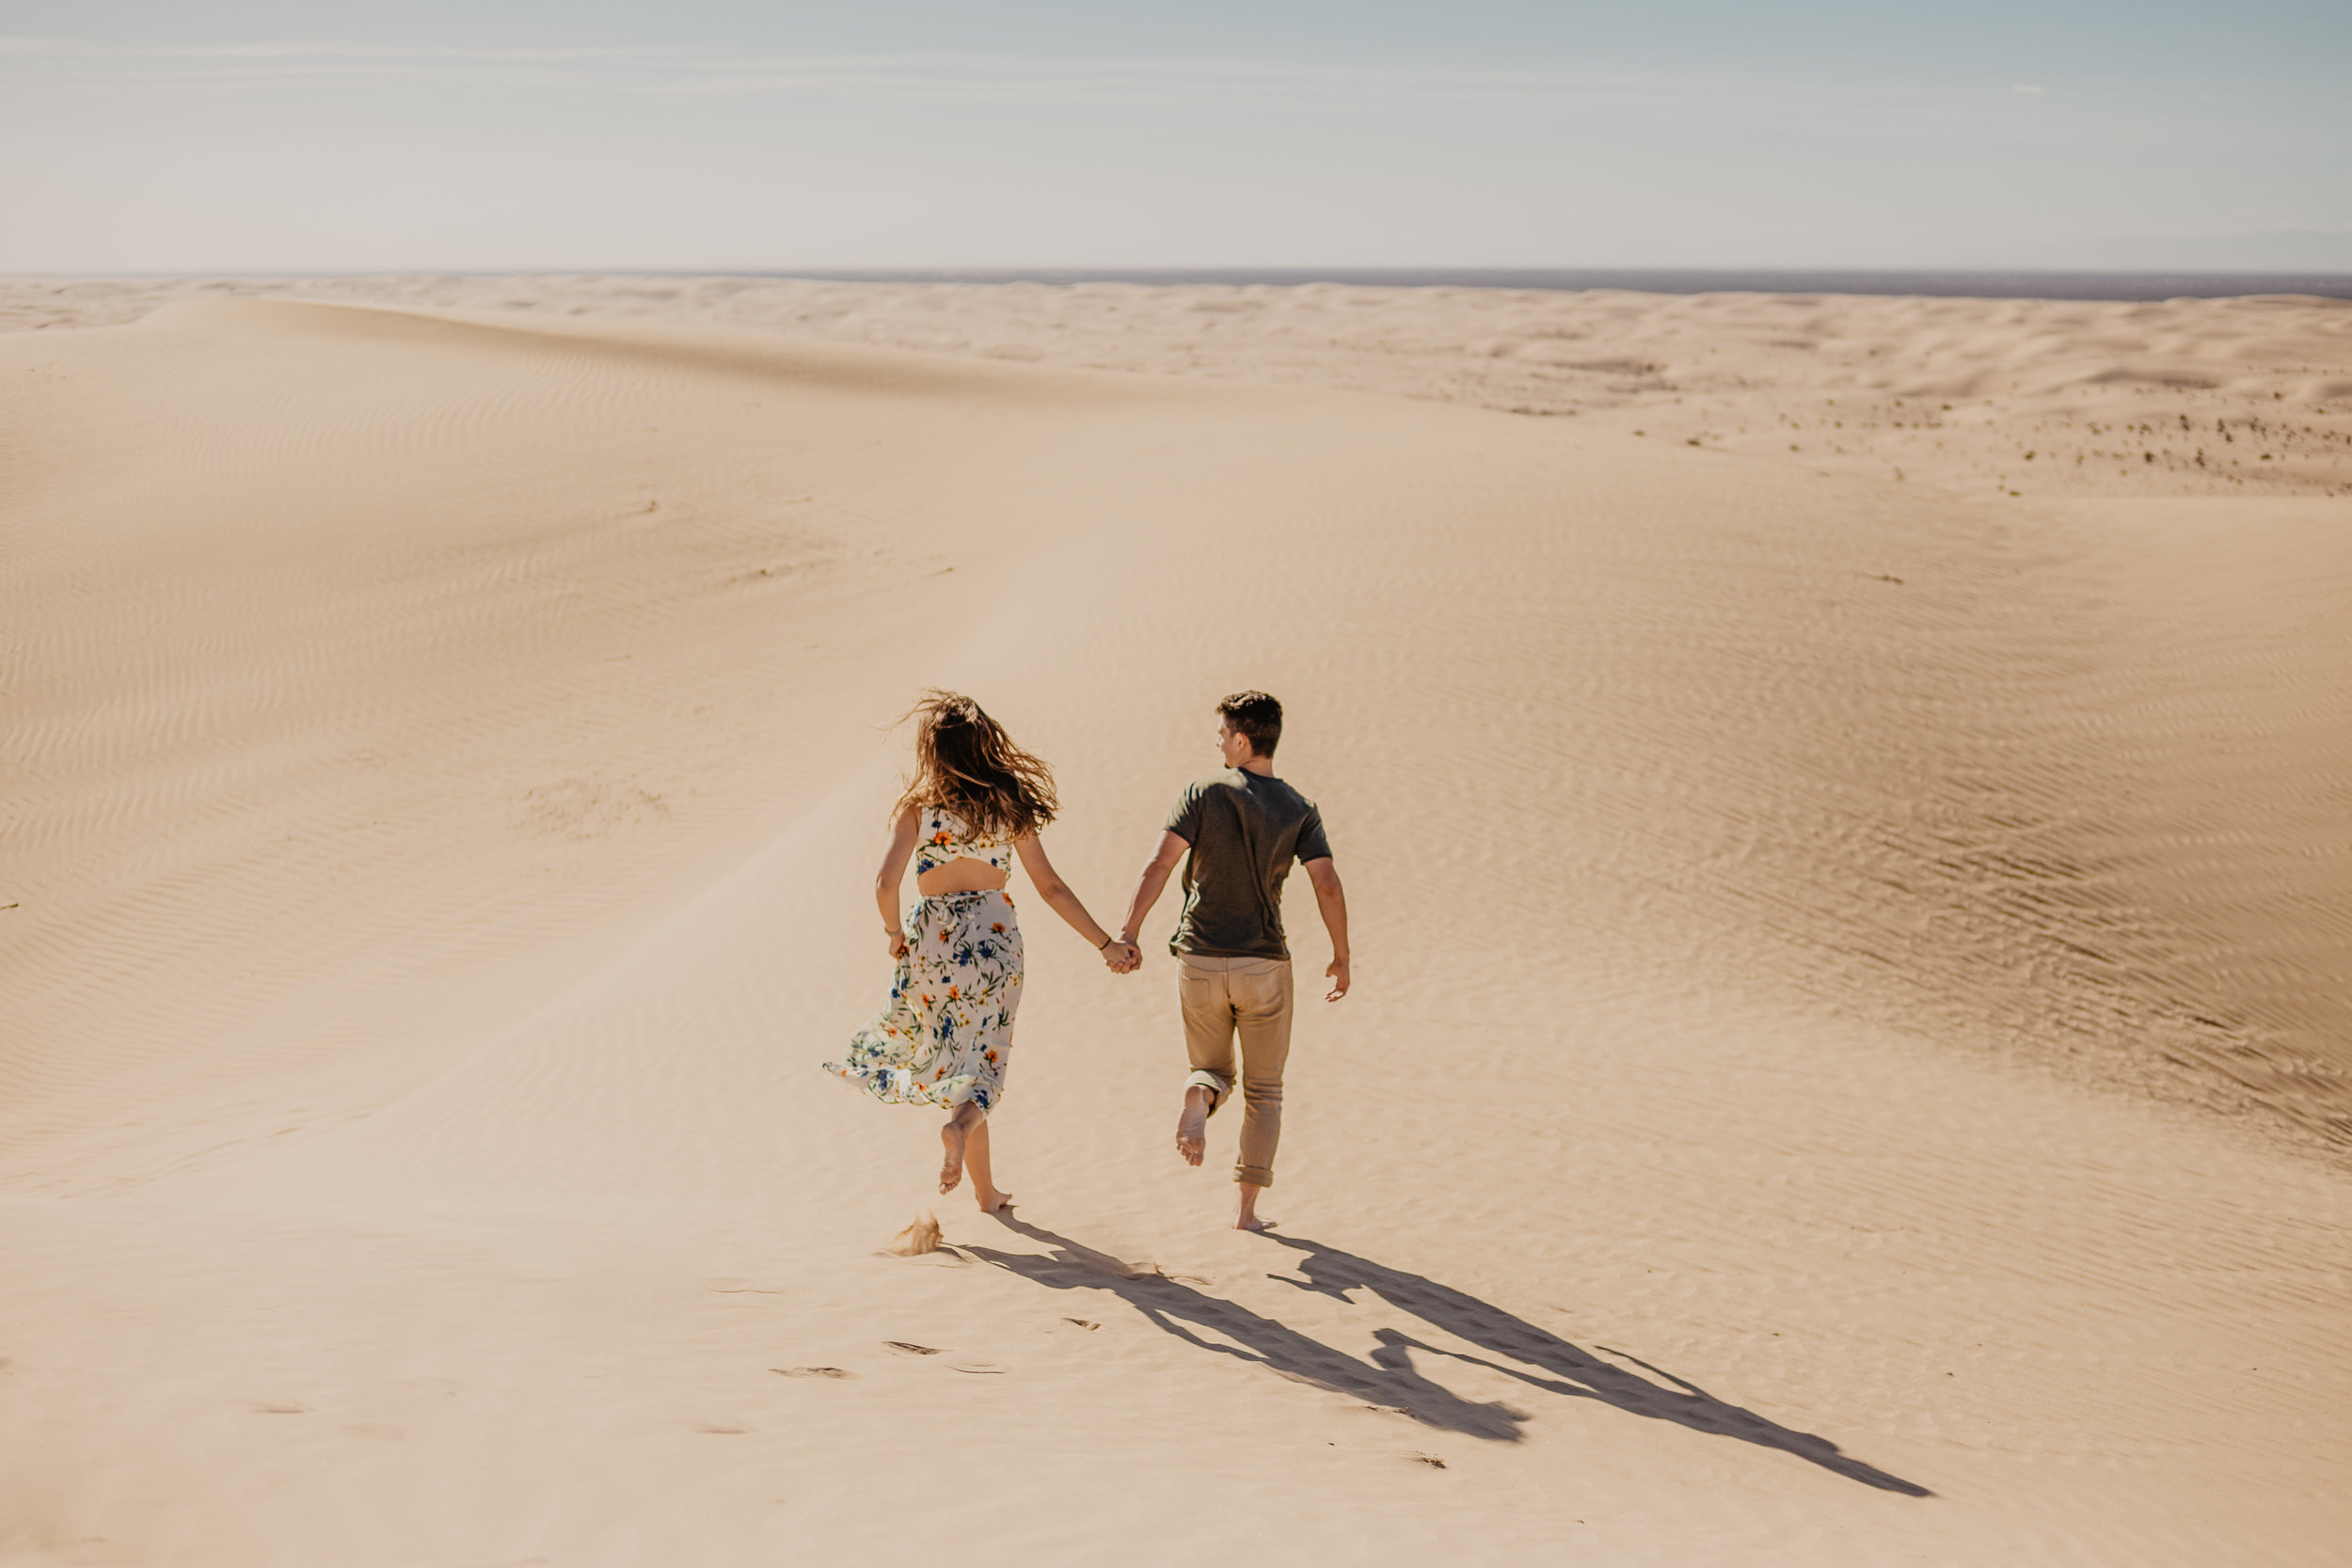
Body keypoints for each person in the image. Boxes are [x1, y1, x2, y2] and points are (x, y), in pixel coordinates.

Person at [824, 691, 1140, 1212]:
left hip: (932, 943)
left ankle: (986, 1193)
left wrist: (893, 934)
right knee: (984, 1064)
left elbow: (885, 884)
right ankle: (962, 1126)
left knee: (957, 1063)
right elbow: (1051, 887)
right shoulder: (1007, 805)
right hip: (994, 942)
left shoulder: (916, 809)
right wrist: (1105, 944)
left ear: (933, 752)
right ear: (984, 746)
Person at [1113, 691, 1348, 1230]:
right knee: (1265, 1091)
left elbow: (1159, 864)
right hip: (1263, 963)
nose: (1217, 741)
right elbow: (1327, 884)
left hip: (1198, 957)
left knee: (1213, 1068)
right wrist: (1341, 956)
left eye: (1222, 733)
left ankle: (1200, 1096)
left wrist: (1129, 931)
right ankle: (1246, 1212)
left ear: (1242, 740)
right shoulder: (1299, 808)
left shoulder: (1200, 793)